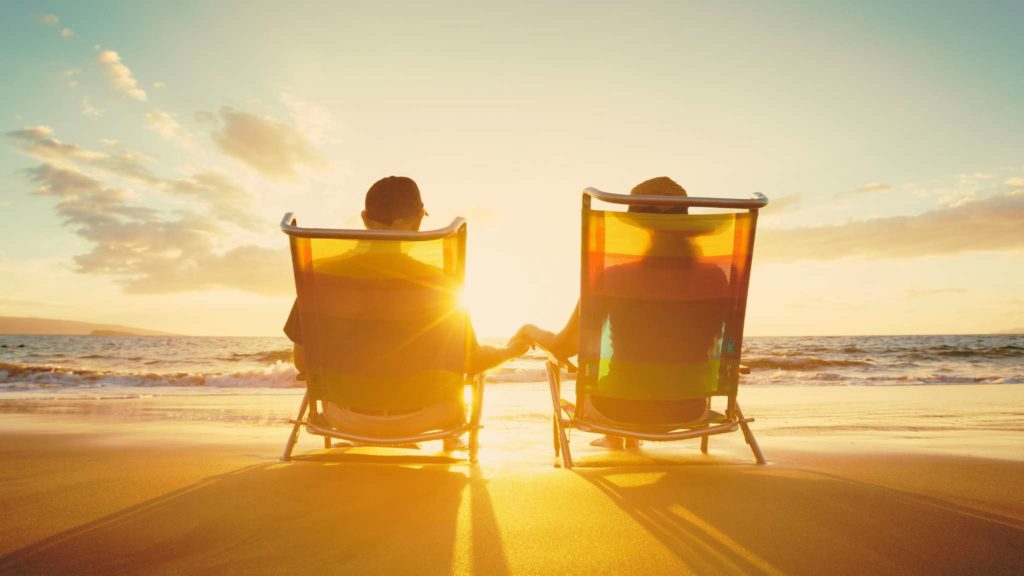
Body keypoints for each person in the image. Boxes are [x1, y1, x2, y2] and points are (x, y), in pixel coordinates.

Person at [285, 176, 529, 449]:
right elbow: (471, 362)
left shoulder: (322, 278)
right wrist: (510, 351)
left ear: (364, 217)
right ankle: (446, 442)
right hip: (426, 417)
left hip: (343, 418)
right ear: (417, 220)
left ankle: (369, 437)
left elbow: (303, 362)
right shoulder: (439, 283)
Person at [516, 176, 727, 450]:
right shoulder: (714, 278)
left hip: (616, 409)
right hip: (689, 408)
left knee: (623, 379)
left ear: (641, 229)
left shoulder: (614, 277)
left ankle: (617, 434)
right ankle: (622, 436)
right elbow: (703, 343)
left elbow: (564, 347)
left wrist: (529, 330)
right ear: (686, 225)